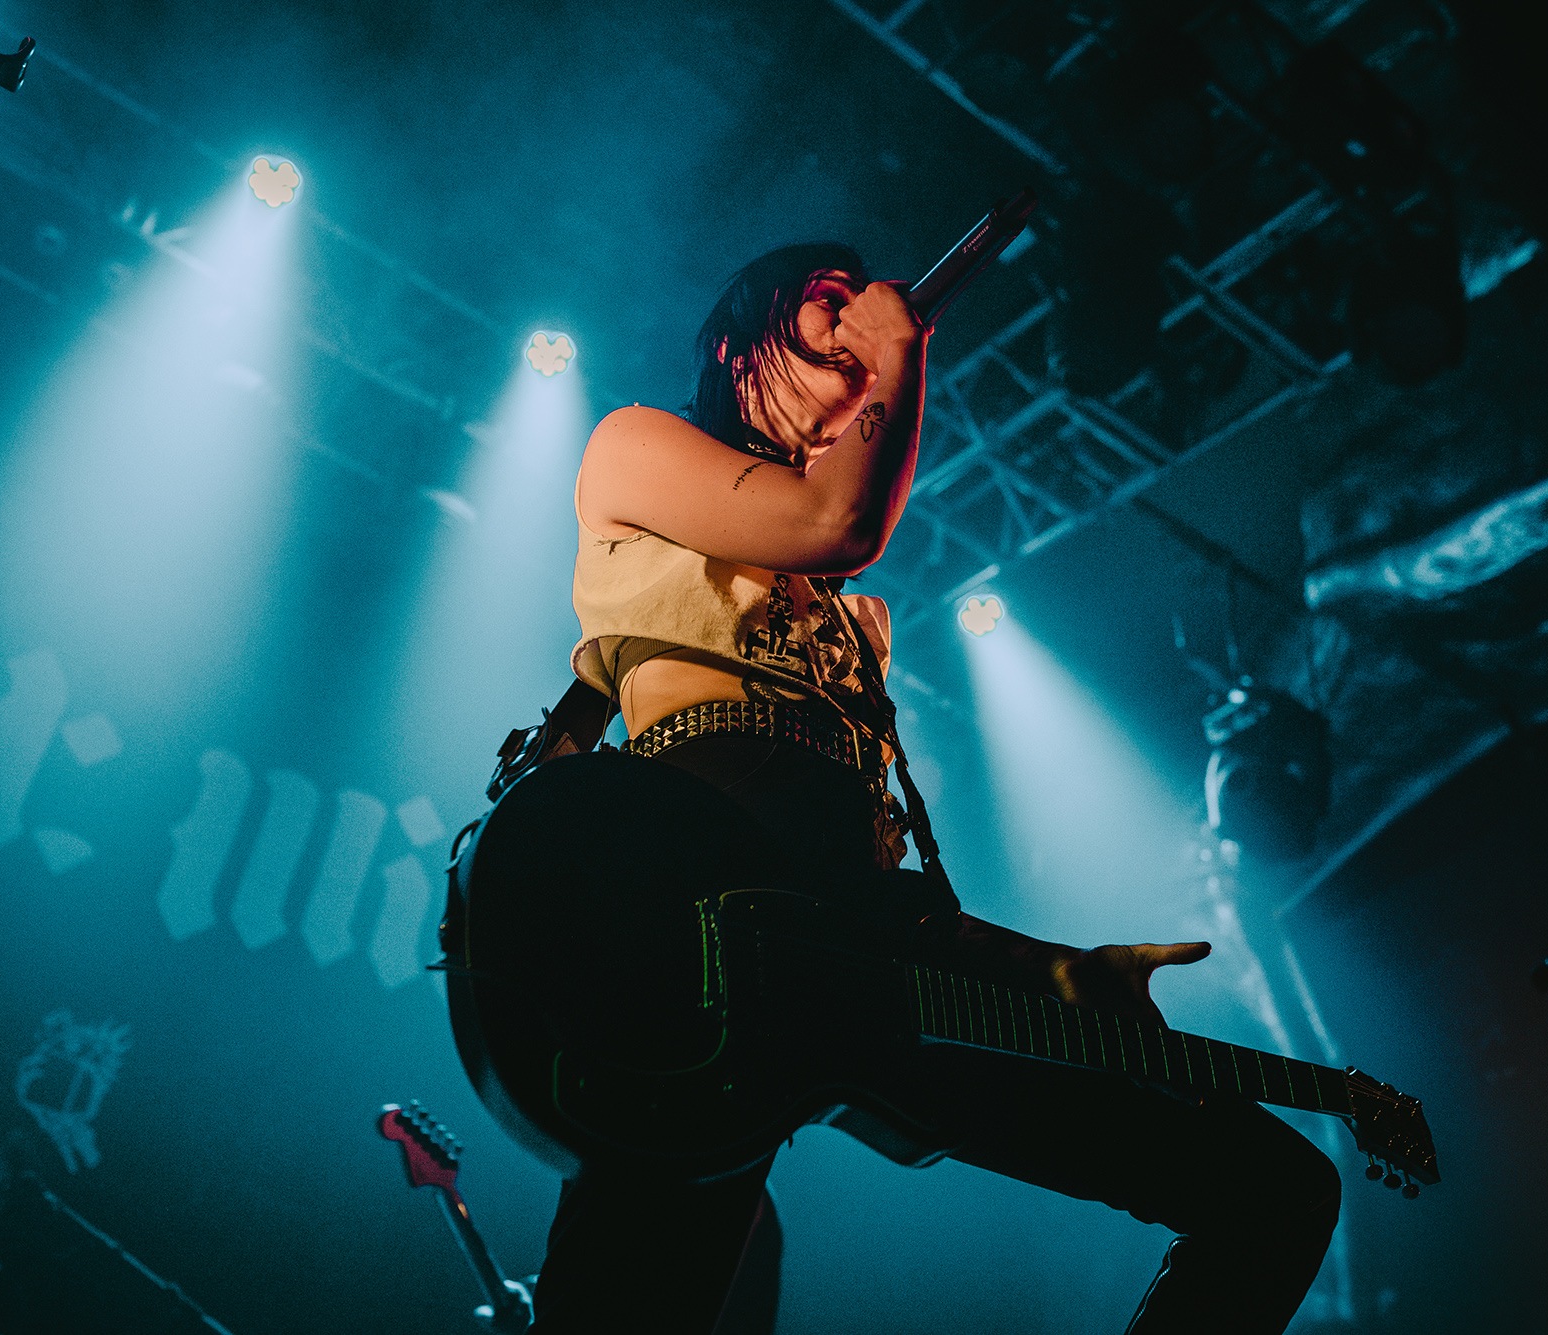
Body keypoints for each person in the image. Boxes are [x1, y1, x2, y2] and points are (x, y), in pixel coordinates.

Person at [539, 242, 1340, 1333]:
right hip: (704, 947)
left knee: (1277, 1191)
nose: (855, 330)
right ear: (734, 347)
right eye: (827, 310)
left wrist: (1054, 972)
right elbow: (839, 520)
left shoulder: (849, 616)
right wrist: (900, 351)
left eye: (862, 318)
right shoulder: (632, 445)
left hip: (858, 963)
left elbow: (867, 877)